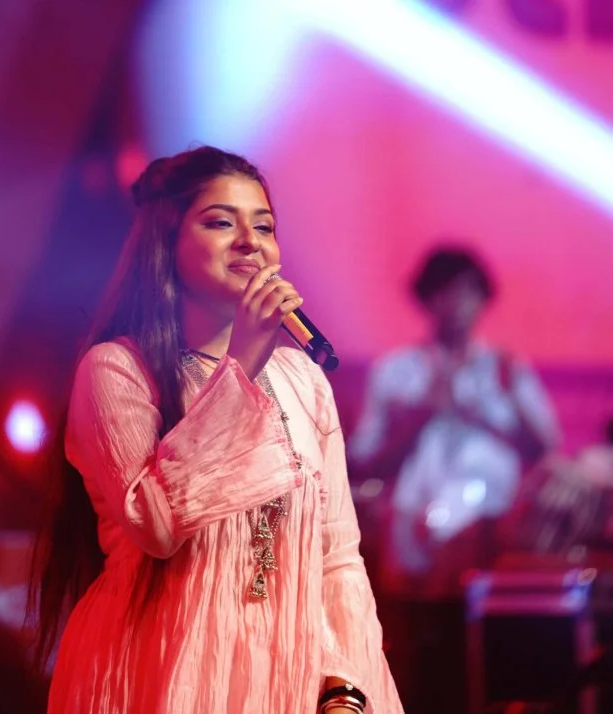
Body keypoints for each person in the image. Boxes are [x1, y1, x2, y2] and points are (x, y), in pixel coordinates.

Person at [29, 146, 402, 713]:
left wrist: (345, 686)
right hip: (161, 672)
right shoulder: (116, 370)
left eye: (264, 226)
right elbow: (155, 526)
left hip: (285, 679)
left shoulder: (304, 379)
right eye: (221, 222)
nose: (250, 242)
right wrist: (242, 364)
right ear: (167, 242)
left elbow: (338, 557)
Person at [348, 245, 558, 714]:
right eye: (445, 292)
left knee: (482, 650)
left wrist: (499, 404)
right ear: (426, 299)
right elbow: (364, 461)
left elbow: (543, 447)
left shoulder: (504, 367)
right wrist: (422, 411)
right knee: (418, 653)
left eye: (468, 292)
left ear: (483, 299)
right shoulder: (398, 370)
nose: (457, 303)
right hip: (414, 534)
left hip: (490, 532)